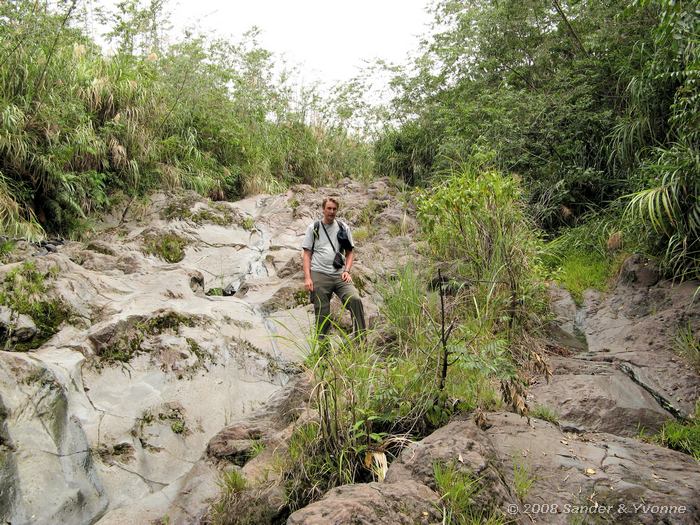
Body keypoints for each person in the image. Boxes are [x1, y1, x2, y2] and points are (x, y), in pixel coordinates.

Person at [302, 197, 366, 338]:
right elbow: (306, 254)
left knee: (355, 300)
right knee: (322, 312)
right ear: (323, 209)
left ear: (337, 210)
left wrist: (347, 271)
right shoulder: (314, 228)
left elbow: (350, 252)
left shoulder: (343, 228)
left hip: (339, 274)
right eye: (329, 208)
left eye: (334, 209)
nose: (331, 211)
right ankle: (323, 348)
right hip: (319, 273)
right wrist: (307, 278)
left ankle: (361, 340)